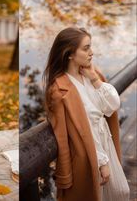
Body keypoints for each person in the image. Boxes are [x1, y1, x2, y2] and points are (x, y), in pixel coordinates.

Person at [43, 27, 130, 201]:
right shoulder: (58, 90)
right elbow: (70, 135)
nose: (92, 52)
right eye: (86, 48)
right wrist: (101, 161)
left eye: (90, 47)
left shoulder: (92, 74)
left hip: (106, 142)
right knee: (102, 195)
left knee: (121, 192)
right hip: (88, 152)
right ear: (70, 54)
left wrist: (94, 79)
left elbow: (112, 105)